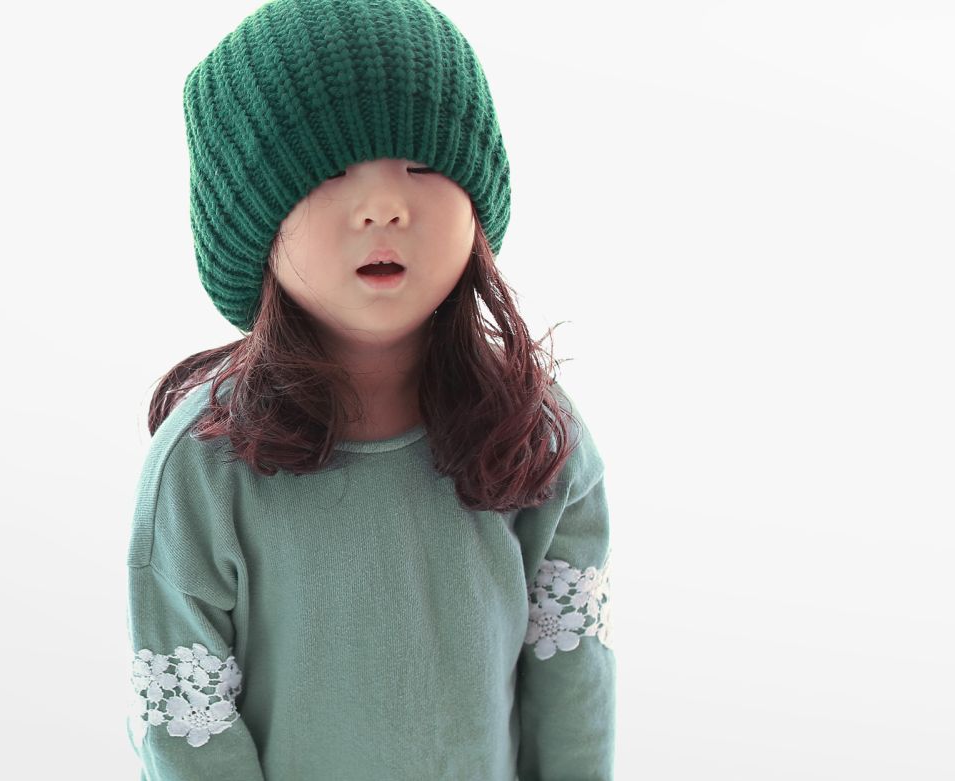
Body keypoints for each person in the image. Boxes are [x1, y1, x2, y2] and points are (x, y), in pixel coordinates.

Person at [124, 0, 614, 778]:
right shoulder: (202, 470)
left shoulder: (532, 433)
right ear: (250, 224)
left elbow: (572, 691)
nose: (385, 205)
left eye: (422, 165)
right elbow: (190, 736)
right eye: (327, 169)